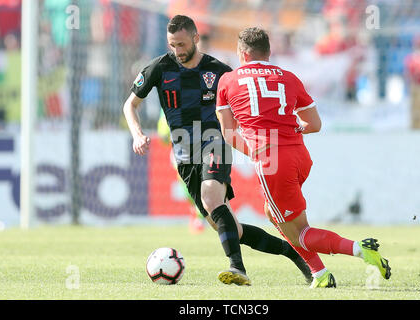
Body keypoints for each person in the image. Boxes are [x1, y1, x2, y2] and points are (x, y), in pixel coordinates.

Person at [122, 15, 312, 286]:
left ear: (196, 38)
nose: (177, 50)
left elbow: (242, 107)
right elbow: (130, 105)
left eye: (182, 44)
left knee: (212, 196)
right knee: (230, 228)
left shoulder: (220, 71)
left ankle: (238, 268)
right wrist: (137, 133)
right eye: (172, 44)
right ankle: (293, 252)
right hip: (185, 155)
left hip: (214, 141)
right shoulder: (159, 68)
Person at [216, 27, 391, 288]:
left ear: (242, 53)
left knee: (300, 234)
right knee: (274, 214)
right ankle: (320, 275)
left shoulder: (228, 80)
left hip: (273, 162)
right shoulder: (288, 77)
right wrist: (294, 129)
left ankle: (360, 249)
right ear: (269, 52)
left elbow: (229, 133)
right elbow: (315, 124)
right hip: (300, 156)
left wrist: (258, 152)